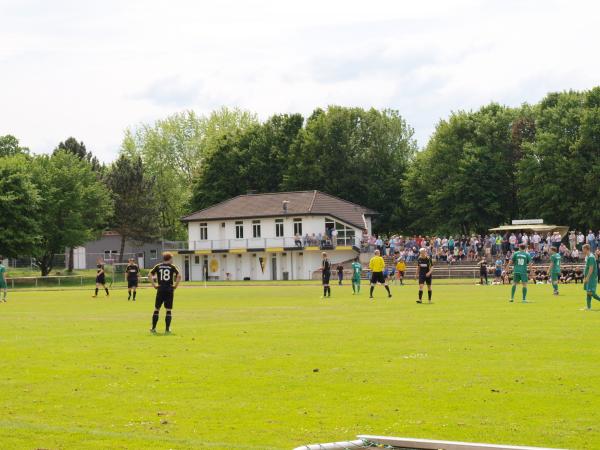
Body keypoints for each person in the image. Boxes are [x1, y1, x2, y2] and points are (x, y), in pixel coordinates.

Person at [149, 252, 181, 333]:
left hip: (160, 289)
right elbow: (179, 276)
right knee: (168, 310)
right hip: (169, 289)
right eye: (172, 258)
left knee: (157, 309)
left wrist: (154, 285)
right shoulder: (172, 267)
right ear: (169, 259)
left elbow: (149, 275)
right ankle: (167, 329)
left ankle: (153, 328)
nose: (172, 260)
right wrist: (175, 286)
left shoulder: (158, 266)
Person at [582, 244, 600, 311]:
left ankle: (588, 307)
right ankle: (588, 307)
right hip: (589, 277)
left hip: (591, 278)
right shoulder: (589, 256)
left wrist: (587, 277)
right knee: (588, 292)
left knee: (591, 292)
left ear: (586, 249)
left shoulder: (591, 257)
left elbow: (591, 269)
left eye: (583, 249)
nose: (582, 251)